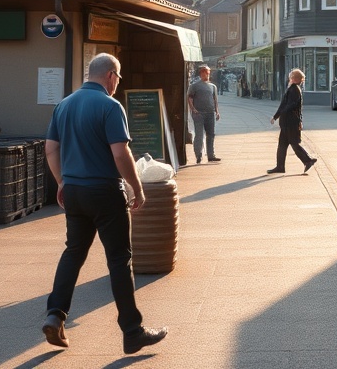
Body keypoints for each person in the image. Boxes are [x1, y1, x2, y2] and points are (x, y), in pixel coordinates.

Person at [42, 53, 168, 355]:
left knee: (74, 252)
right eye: (118, 78)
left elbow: (50, 149)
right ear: (111, 75)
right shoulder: (111, 106)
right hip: (104, 192)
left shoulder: (64, 105)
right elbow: (120, 154)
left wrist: (62, 182)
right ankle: (132, 332)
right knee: (119, 259)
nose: (116, 84)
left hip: (73, 191)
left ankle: (54, 315)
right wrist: (136, 188)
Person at [267, 67, 317, 174]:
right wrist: (276, 116)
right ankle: (280, 167)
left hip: (290, 123)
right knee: (282, 145)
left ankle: (308, 160)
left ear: (295, 78)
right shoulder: (292, 89)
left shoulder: (294, 89)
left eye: (291, 76)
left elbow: (291, 105)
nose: (289, 78)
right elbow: (285, 105)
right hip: (287, 122)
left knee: (294, 144)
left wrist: (281, 114)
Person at [187, 64, 221, 164]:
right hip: (199, 114)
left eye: (208, 73)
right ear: (201, 73)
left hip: (210, 113)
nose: (206, 75)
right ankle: (198, 155)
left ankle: (211, 155)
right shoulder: (194, 86)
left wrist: (217, 112)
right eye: (204, 72)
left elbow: (215, 100)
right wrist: (193, 109)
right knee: (199, 135)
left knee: (211, 134)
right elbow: (189, 98)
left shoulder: (213, 87)